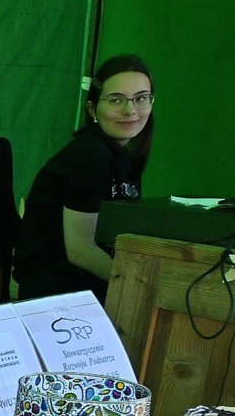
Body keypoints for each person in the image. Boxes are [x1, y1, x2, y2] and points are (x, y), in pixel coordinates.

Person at [13, 54, 155, 302]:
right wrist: (139, 286)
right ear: (92, 109)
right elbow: (81, 251)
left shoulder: (124, 157)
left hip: (86, 288)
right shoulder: (88, 156)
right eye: (116, 100)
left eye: (141, 98)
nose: (130, 110)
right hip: (57, 296)